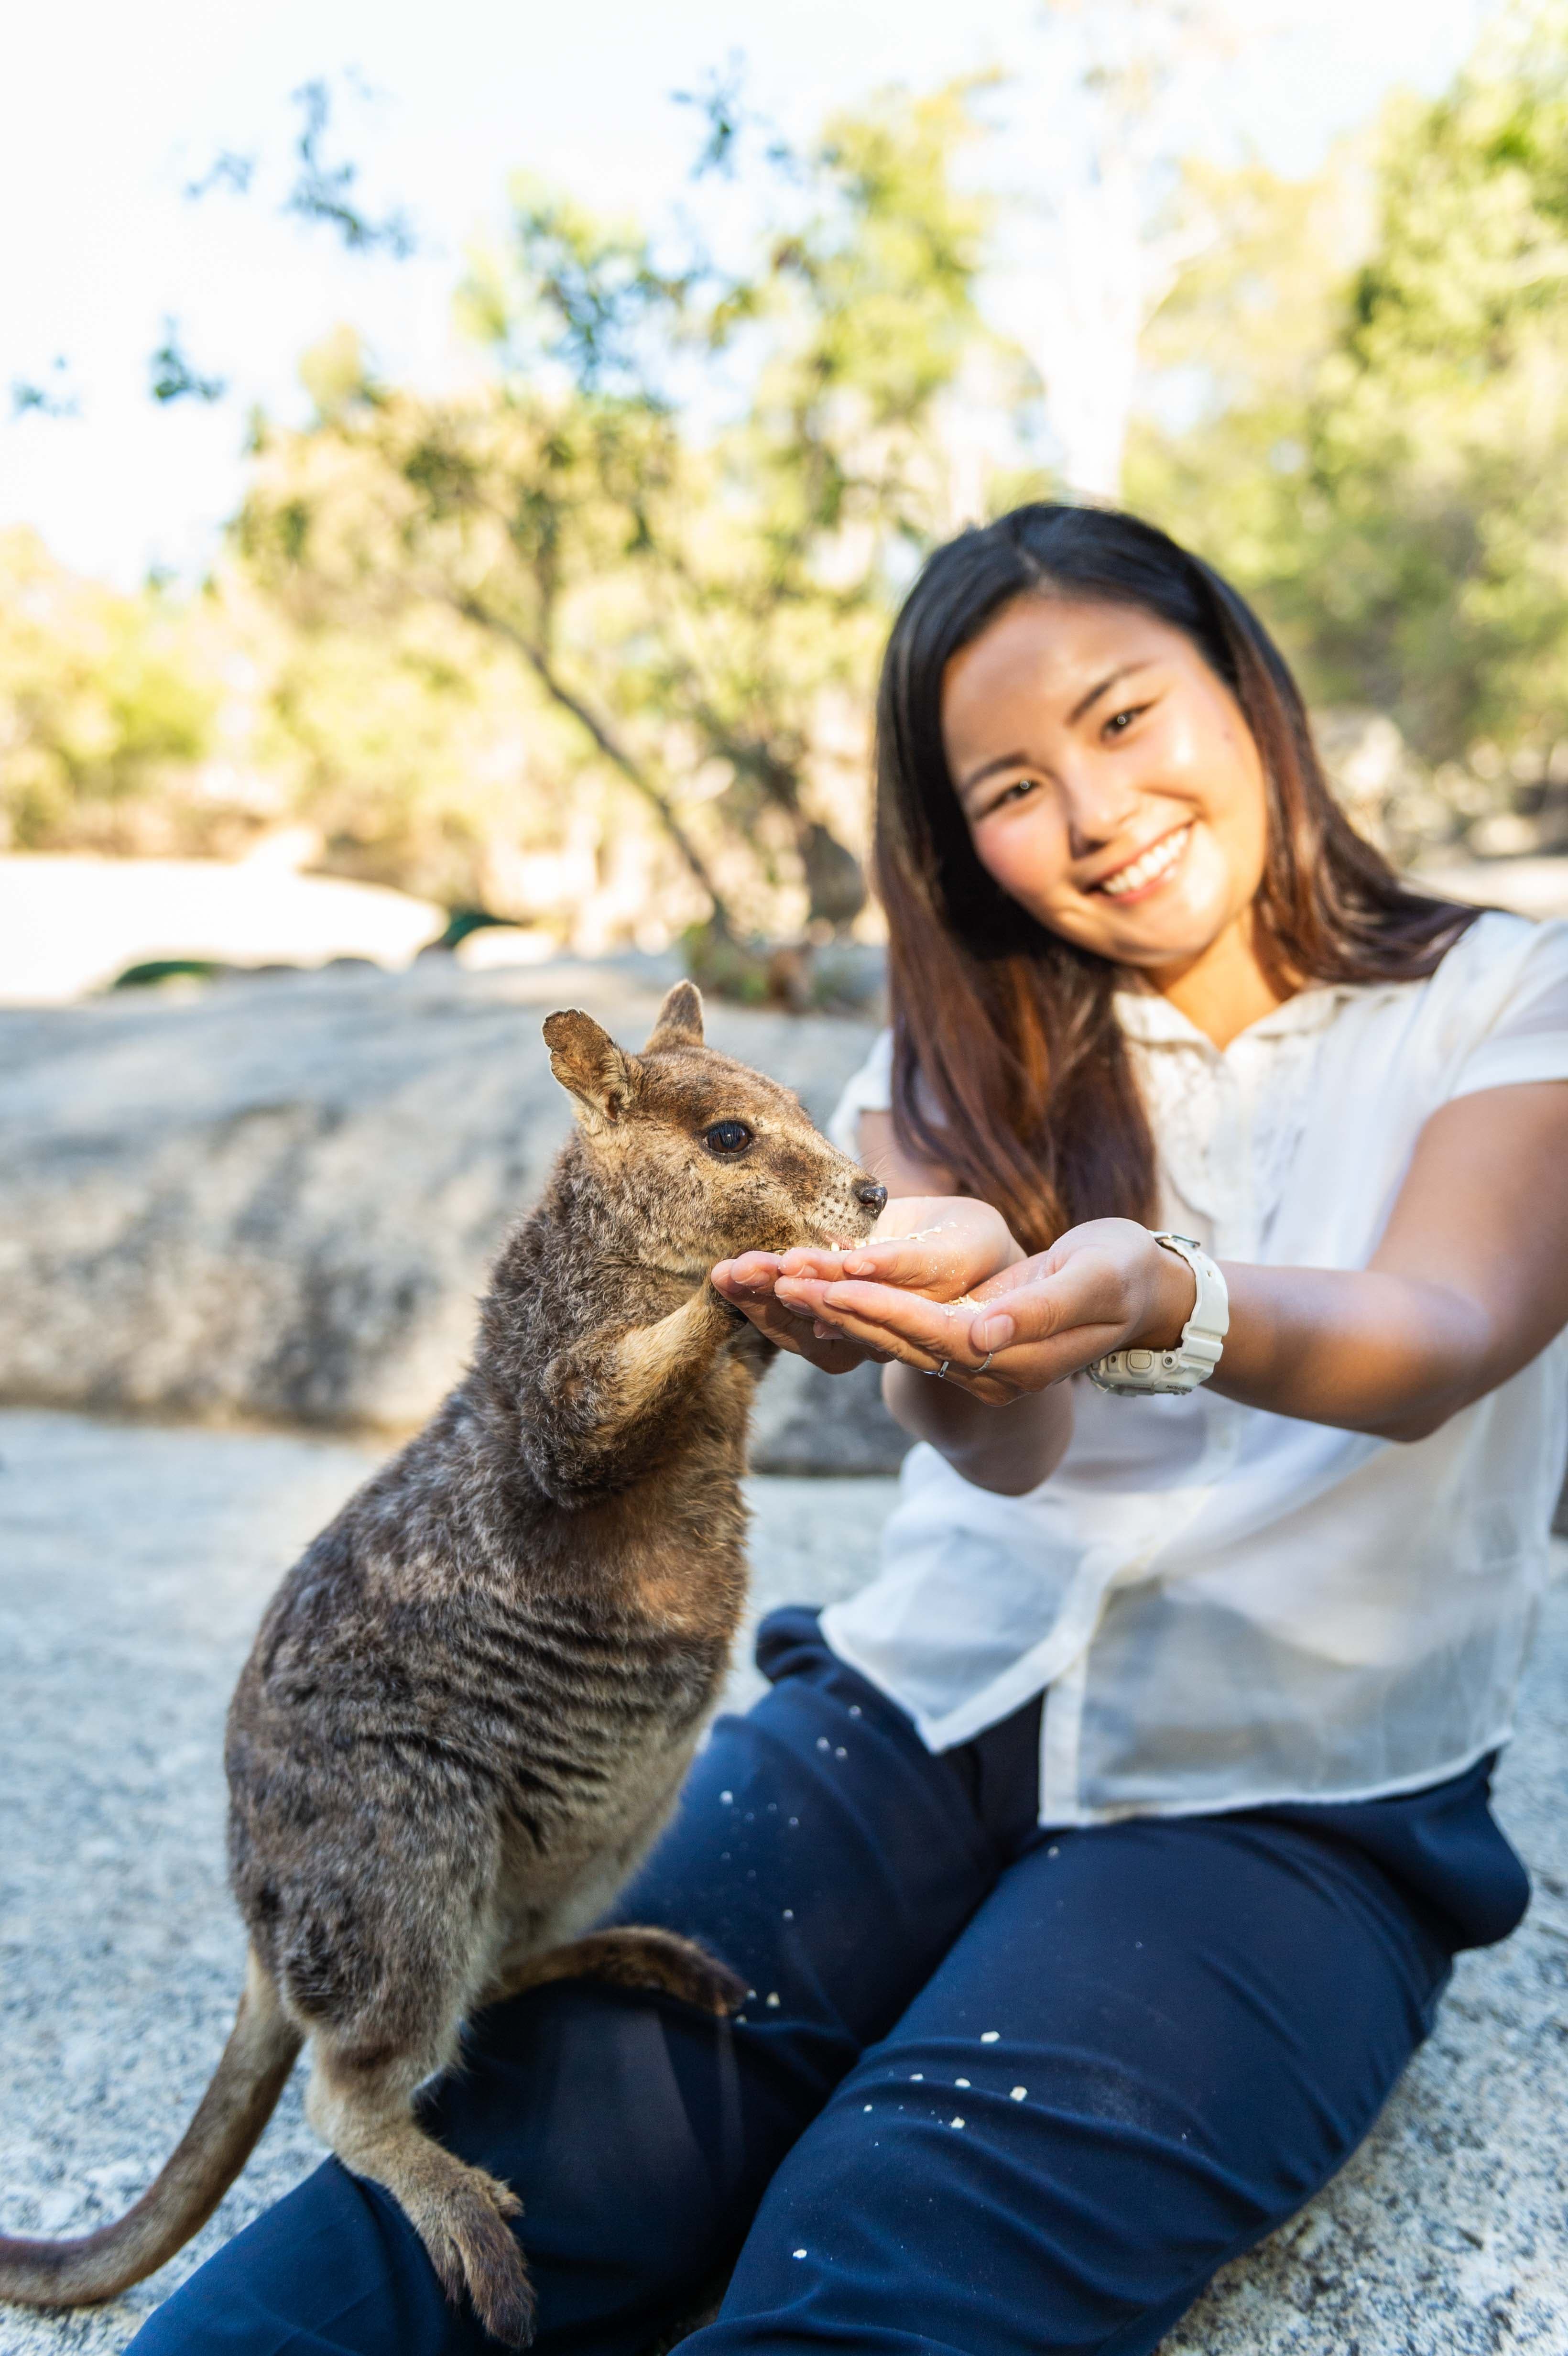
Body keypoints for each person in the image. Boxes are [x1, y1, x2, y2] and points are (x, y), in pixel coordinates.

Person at [130, 505, 1568, 2356]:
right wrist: (969, 1350)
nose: (1095, 805)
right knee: (488, 2192)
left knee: (889, 2239)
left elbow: (1438, 1333)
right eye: (1011, 784)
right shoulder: (947, 1058)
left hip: (1277, 1788)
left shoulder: (1501, 998)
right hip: (918, 1704)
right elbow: (1001, 1456)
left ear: (1245, 682)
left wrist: (1145, 1291)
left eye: (1127, 717)